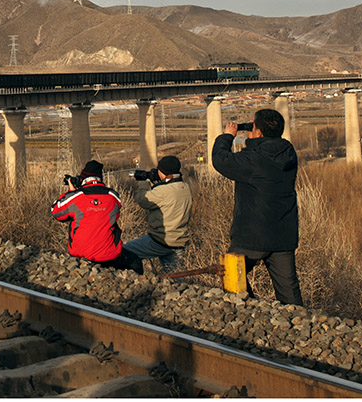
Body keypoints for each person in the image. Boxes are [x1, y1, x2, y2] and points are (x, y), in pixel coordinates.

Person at [212, 108, 303, 305]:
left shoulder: (252, 159)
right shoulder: (288, 153)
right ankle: (299, 326)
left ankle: (251, 309)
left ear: (259, 133)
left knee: (232, 275)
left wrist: (227, 137)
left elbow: (221, 160)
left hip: (252, 236)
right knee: (289, 291)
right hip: (283, 235)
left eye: (253, 128)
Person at [50, 160, 132, 270]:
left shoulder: (76, 197)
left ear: (83, 179)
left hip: (81, 255)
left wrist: (70, 193)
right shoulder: (113, 196)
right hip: (110, 254)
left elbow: (56, 212)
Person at [122, 155, 192, 275]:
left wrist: (146, 181)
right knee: (176, 276)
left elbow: (141, 199)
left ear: (163, 172)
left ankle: (134, 281)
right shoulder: (185, 187)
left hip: (160, 241)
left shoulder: (164, 191)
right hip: (179, 241)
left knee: (124, 252)